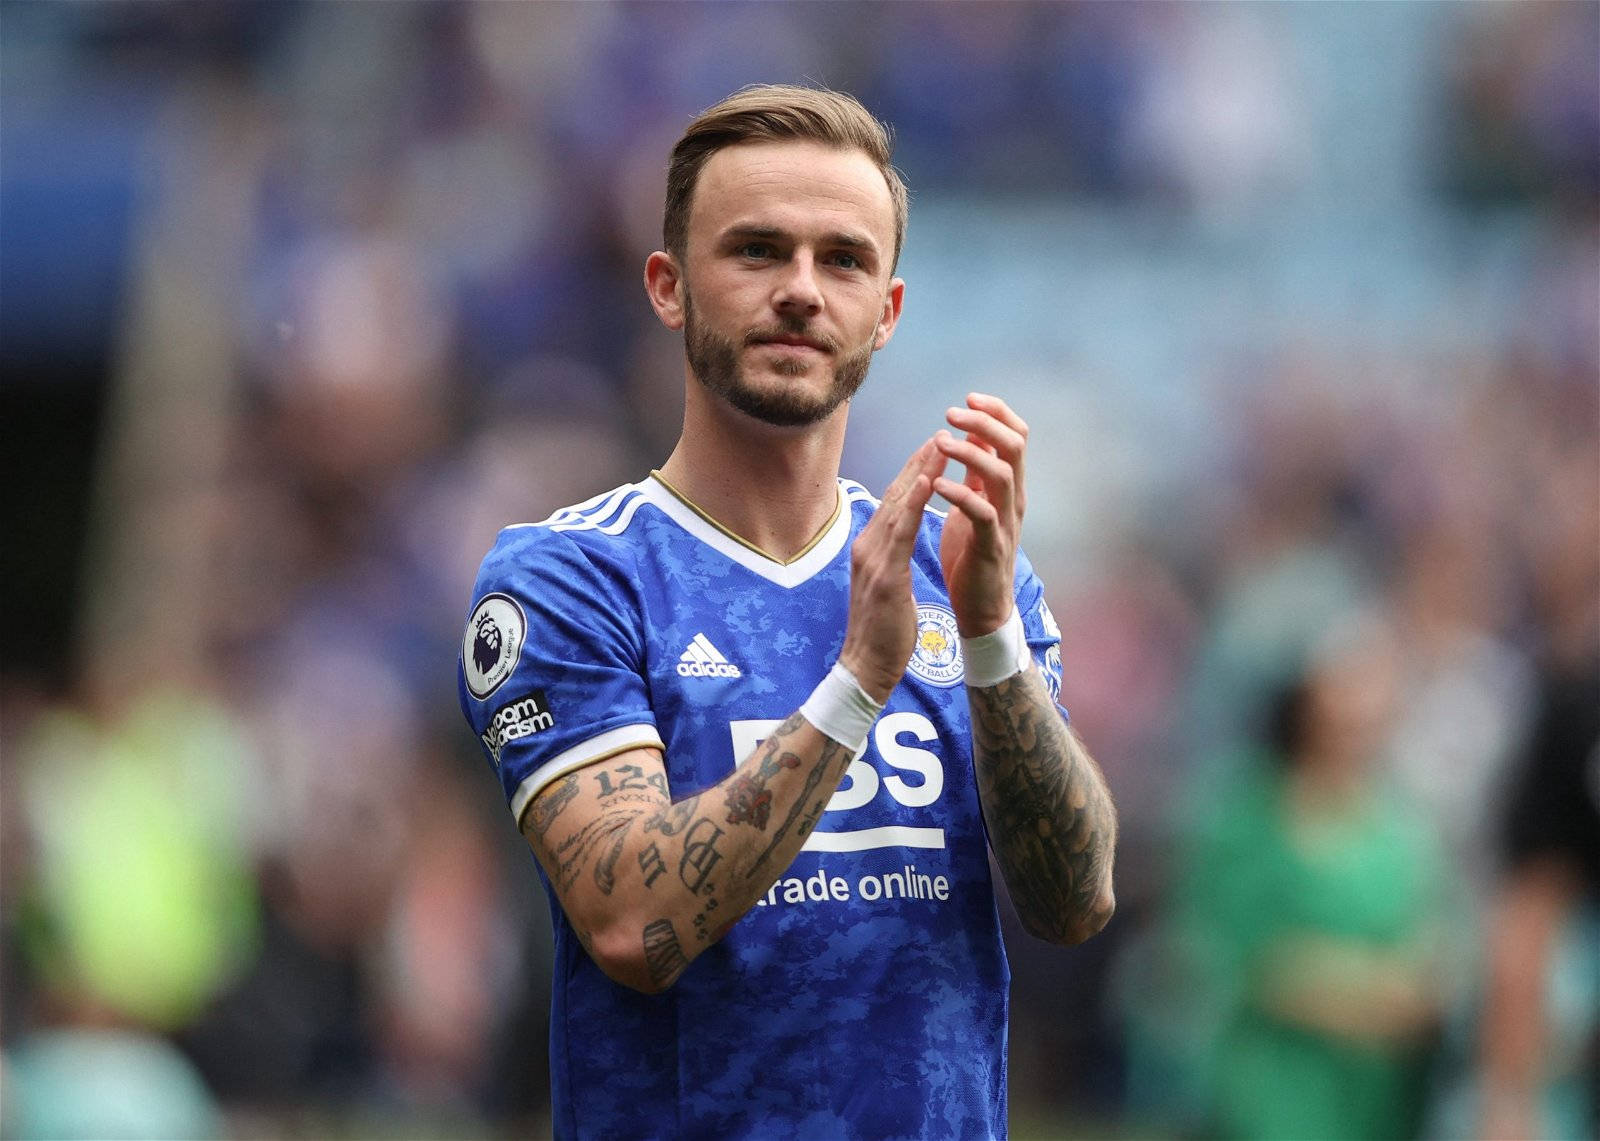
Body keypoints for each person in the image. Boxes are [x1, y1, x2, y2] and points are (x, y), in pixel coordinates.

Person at [458, 84, 1117, 1141]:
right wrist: (858, 679)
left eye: (843, 259)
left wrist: (992, 639)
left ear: (887, 313)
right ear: (669, 289)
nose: (802, 292)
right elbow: (633, 923)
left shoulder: (961, 573)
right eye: (757, 251)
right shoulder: (572, 580)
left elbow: (1071, 900)